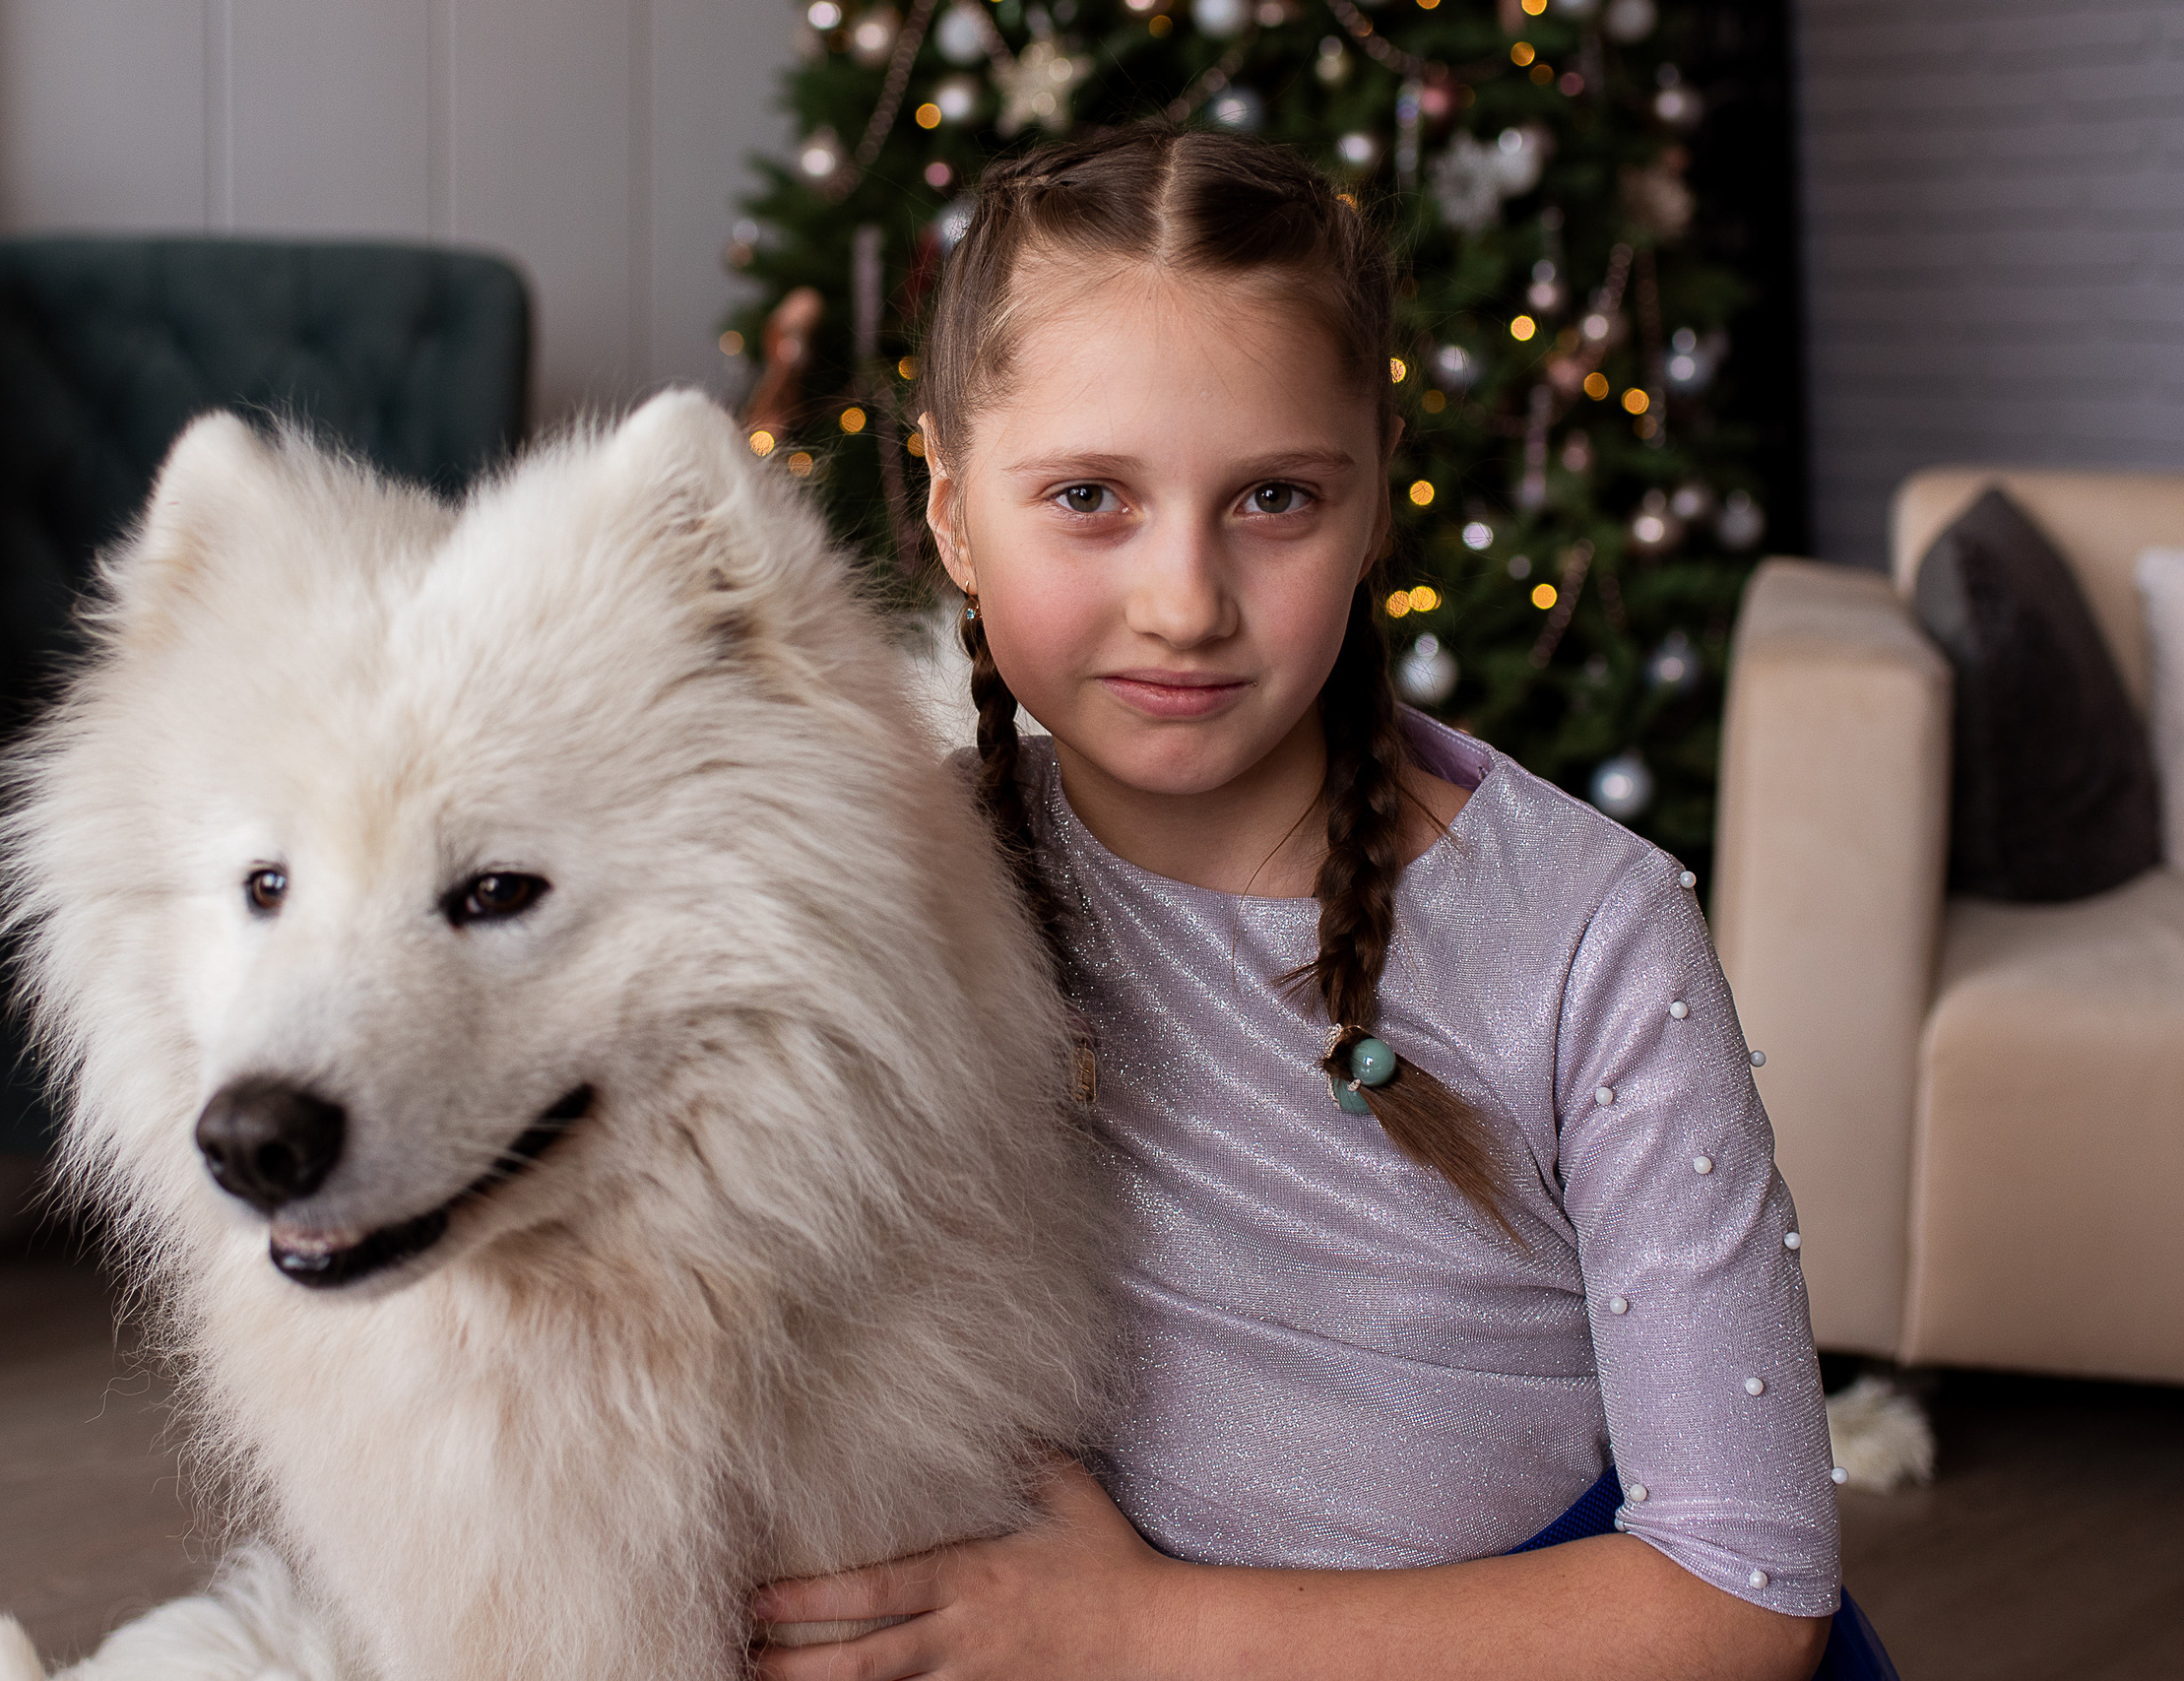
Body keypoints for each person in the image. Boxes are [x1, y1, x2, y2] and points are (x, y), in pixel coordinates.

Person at [750, 128, 1897, 1681]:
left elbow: (1746, 1598)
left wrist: (1139, 1630)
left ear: (1373, 504)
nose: (1184, 598)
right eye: (1089, 495)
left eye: (1275, 497)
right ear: (952, 512)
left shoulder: (1589, 932)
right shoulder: (890, 887)